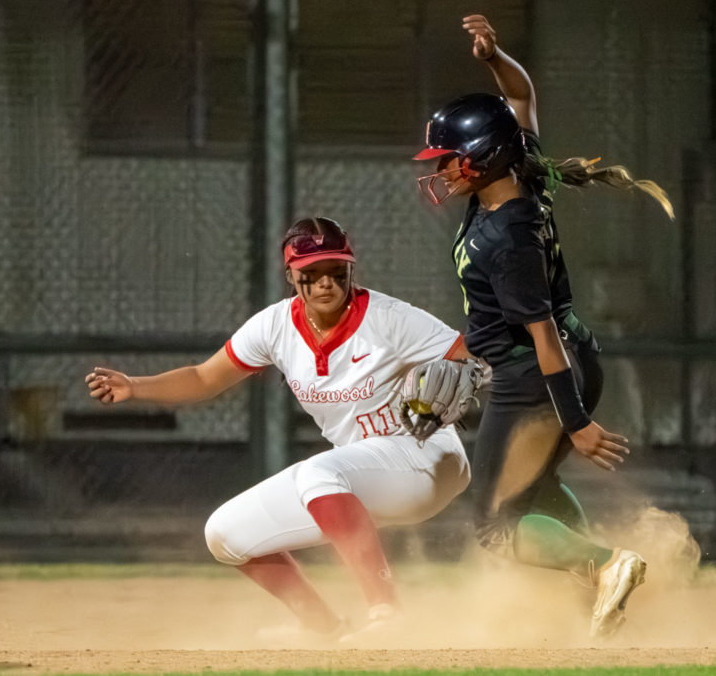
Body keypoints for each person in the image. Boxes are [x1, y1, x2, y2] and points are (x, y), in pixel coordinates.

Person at [85, 217, 471, 641]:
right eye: (311, 272)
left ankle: (386, 613)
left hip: (424, 457)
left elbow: (468, 355)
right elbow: (204, 377)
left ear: (351, 269)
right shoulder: (275, 326)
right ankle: (322, 626)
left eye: (335, 269)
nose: (325, 282)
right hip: (357, 476)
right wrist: (136, 387)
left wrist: (465, 372)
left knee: (319, 473)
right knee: (226, 534)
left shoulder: (389, 318)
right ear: (290, 275)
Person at [413, 15, 674, 638]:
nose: (442, 170)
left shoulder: (507, 238)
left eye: (450, 160)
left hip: (536, 377)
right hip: (572, 357)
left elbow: (542, 338)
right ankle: (600, 577)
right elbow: (522, 96)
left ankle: (606, 564)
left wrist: (577, 424)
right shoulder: (519, 173)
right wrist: (495, 57)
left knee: (496, 526)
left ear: (482, 158)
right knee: (534, 490)